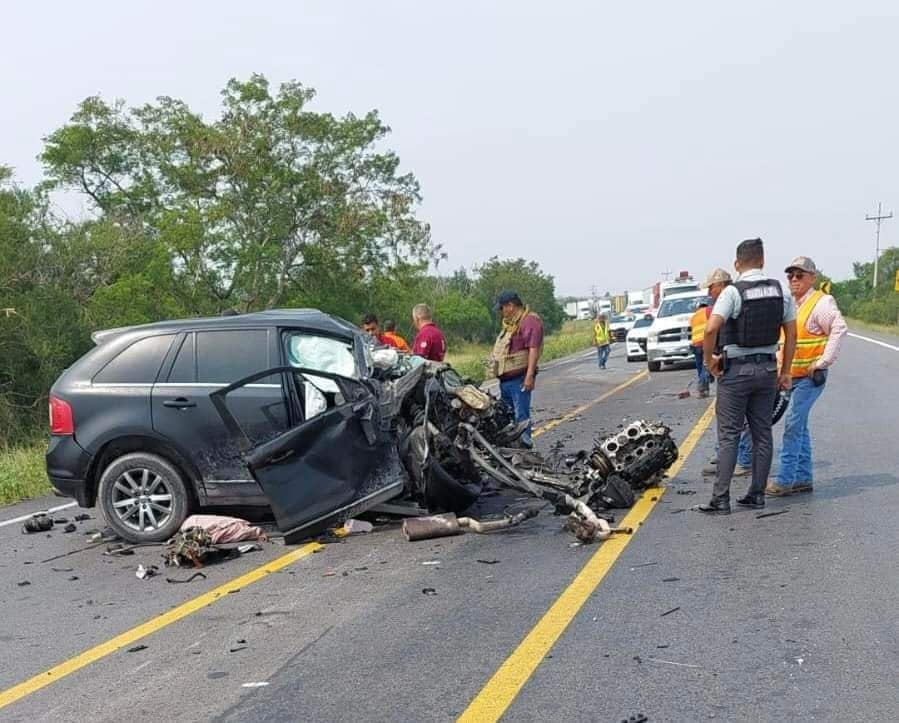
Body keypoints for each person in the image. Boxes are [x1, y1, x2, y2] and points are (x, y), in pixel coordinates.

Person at [699, 238, 797, 514]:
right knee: (762, 433)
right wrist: (786, 371)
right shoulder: (781, 292)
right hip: (767, 371)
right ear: (763, 260)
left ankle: (721, 498)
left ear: (737, 264)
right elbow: (792, 335)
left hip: (737, 371)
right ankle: (757, 494)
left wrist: (709, 362)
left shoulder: (733, 293)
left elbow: (710, 330)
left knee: (729, 434)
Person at [765, 256, 847, 496]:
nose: (794, 280)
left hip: (811, 378)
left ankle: (784, 480)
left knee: (792, 424)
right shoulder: (791, 303)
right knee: (800, 426)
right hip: (793, 377)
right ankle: (803, 478)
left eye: (799, 275)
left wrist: (823, 361)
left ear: (812, 277)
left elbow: (839, 328)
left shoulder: (821, 303)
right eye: (790, 275)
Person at [490, 290, 544, 448]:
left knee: (521, 417)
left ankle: (525, 450)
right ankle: (512, 448)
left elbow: (533, 349)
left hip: (519, 379)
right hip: (506, 380)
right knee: (507, 415)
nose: (501, 312)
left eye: (502, 308)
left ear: (511, 306)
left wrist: (529, 376)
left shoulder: (529, 322)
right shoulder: (511, 324)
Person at [690, 299, 711, 397]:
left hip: (695, 344)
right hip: (706, 342)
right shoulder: (709, 310)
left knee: (700, 367)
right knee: (706, 366)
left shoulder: (694, 316)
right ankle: (702, 387)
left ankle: (704, 388)